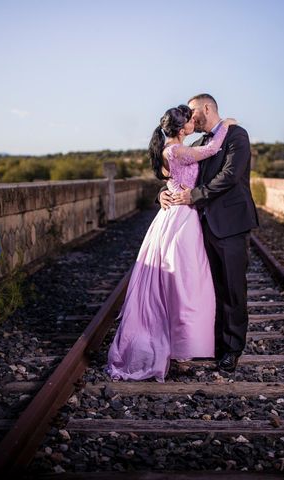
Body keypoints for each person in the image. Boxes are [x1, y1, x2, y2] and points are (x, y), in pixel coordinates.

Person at [106, 104, 237, 382]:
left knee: (187, 281)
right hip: (181, 219)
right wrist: (225, 125)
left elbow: (175, 180)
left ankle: (184, 346)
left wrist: (164, 192)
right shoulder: (176, 150)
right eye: (190, 122)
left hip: (182, 215)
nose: (194, 125)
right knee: (185, 281)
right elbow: (211, 151)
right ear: (181, 130)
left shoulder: (174, 148)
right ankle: (180, 347)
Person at [161, 93, 259, 372]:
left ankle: (231, 350)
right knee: (208, 290)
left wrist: (194, 196)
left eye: (193, 112)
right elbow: (179, 177)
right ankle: (212, 344)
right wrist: (162, 194)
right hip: (200, 227)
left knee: (232, 289)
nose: (190, 119)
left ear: (207, 108)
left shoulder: (237, 136)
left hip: (231, 225)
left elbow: (230, 175)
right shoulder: (200, 144)